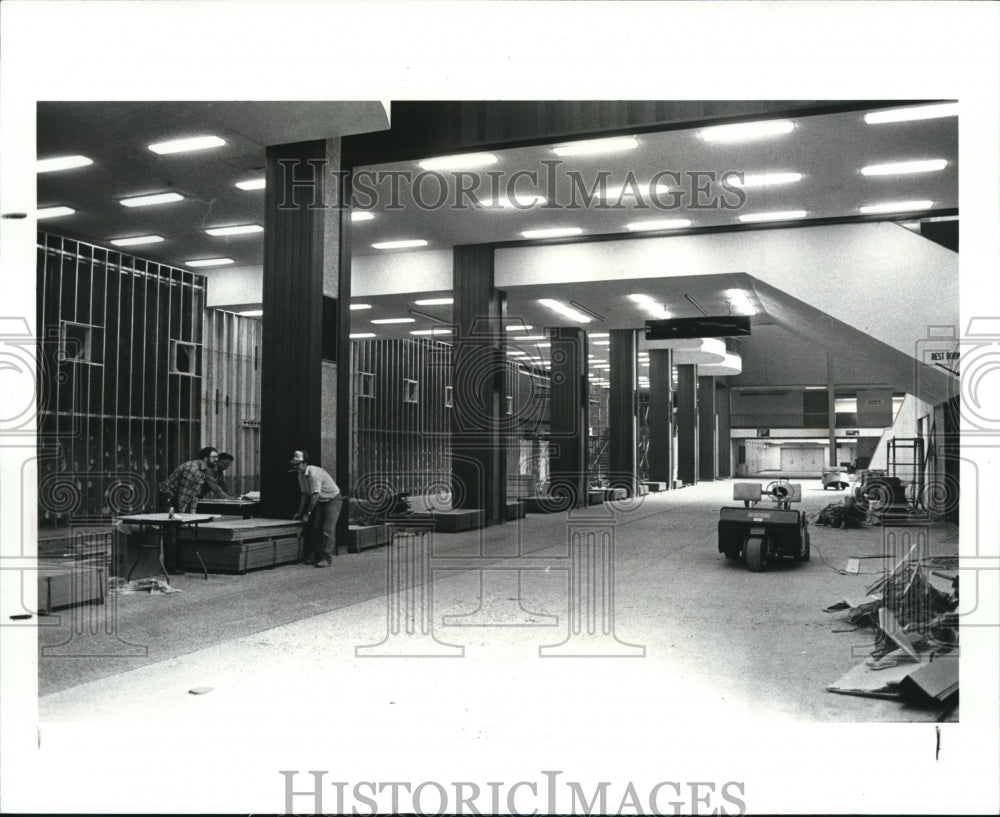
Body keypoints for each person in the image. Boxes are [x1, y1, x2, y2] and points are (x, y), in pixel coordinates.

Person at [158, 446, 218, 573]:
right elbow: (182, 493)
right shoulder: (192, 469)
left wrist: (192, 515)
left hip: (178, 498)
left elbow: (194, 495)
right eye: (214, 457)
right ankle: (170, 567)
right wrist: (181, 513)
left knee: (179, 530)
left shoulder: (202, 470)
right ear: (205, 458)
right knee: (171, 532)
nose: (216, 459)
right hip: (169, 497)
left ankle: (177, 563)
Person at [289, 450, 342, 568]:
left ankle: (326, 558)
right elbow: (304, 494)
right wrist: (299, 512)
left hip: (333, 500)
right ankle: (316, 556)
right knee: (316, 527)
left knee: (327, 529)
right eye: (294, 464)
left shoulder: (313, 474)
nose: (295, 466)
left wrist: (307, 513)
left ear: (305, 463)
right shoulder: (301, 475)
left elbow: (314, 495)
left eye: (297, 464)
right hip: (320, 500)